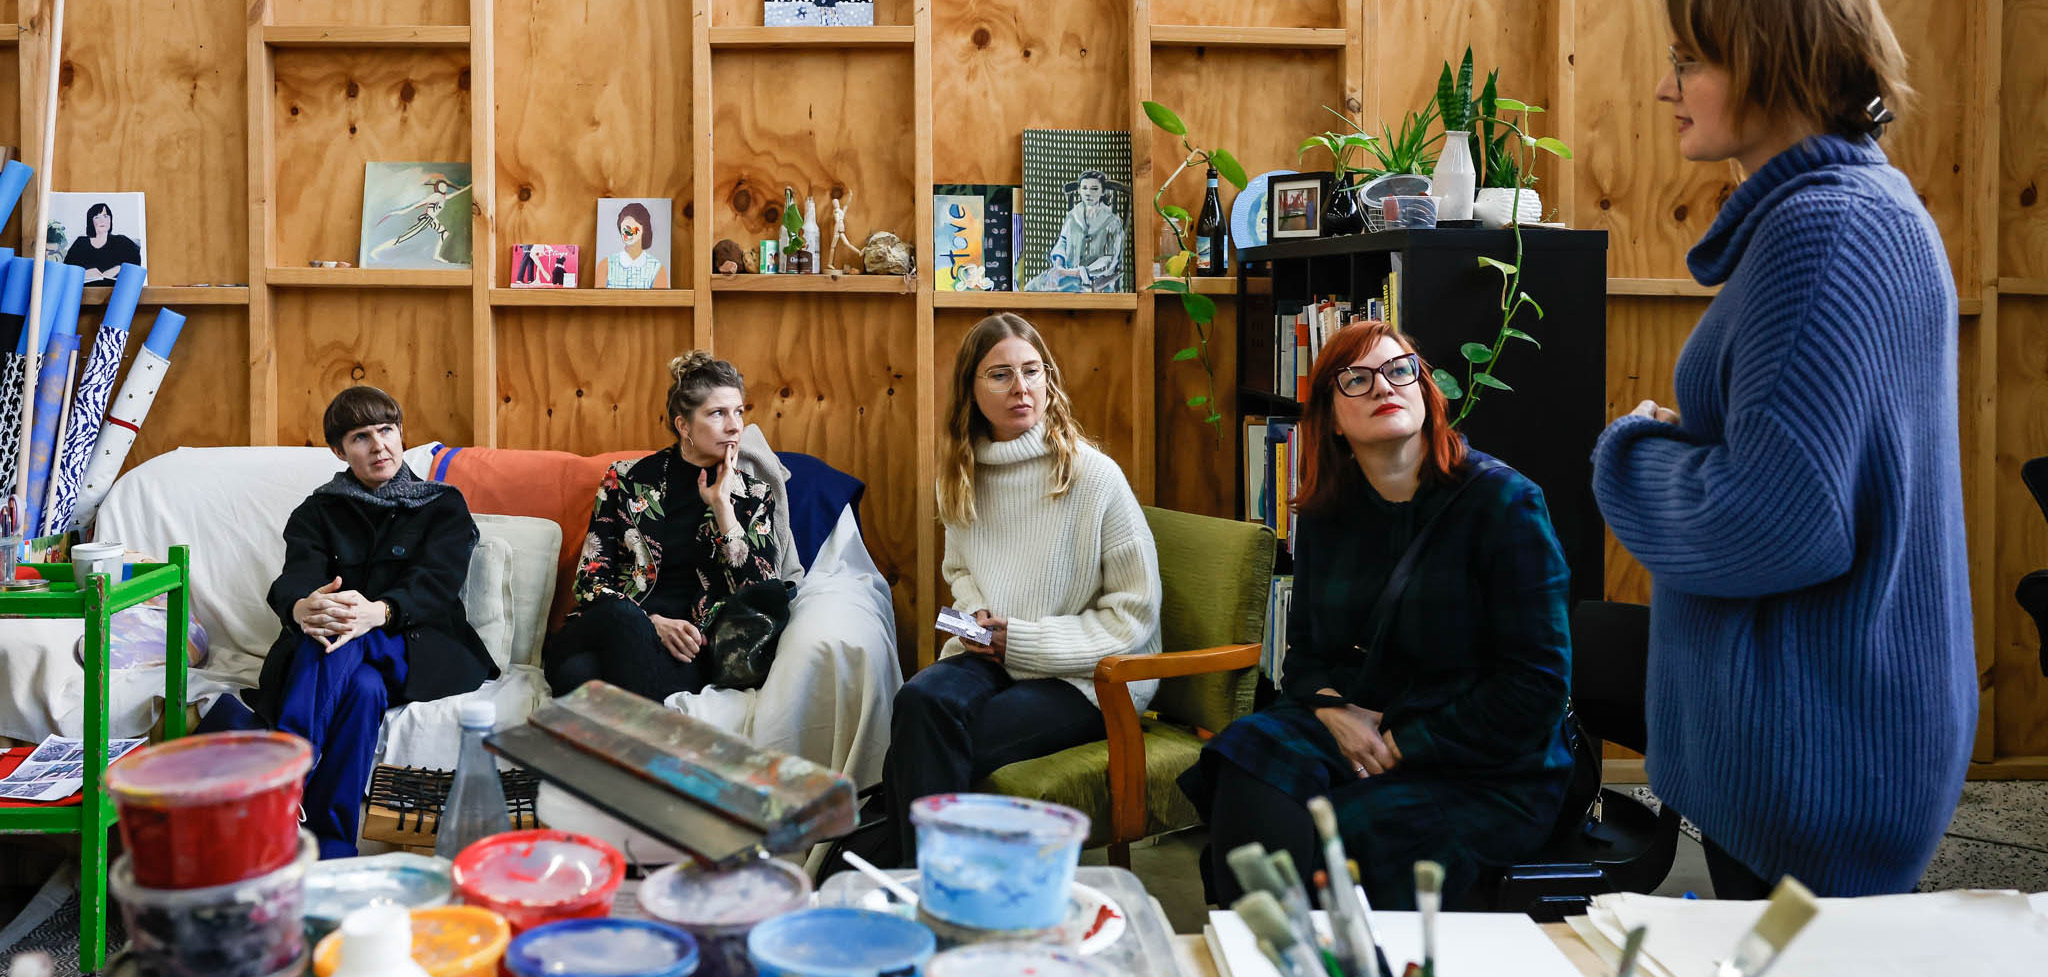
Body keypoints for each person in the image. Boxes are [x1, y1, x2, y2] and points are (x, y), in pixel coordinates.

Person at [1591, 0, 1972, 898]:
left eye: (1687, 61)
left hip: (1816, 748)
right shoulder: (1852, 211)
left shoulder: (1826, 232)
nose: (1662, 87)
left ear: (1768, 58)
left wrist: (1628, 452)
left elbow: (1776, 518)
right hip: (1818, 724)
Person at [1180, 320, 1574, 910]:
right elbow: (1306, 655)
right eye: (1356, 380)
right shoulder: (1325, 514)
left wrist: (1401, 741)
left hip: (1483, 764)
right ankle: (1267, 953)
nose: (1384, 387)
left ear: (1425, 392)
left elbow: (1536, 687)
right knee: (1248, 756)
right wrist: (1334, 711)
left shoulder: (1503, 504)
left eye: (1398, 370)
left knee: (1325, 831)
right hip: (1357, 732)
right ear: (1332, 419)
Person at [878, 312, 1161, 864]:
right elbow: (961, 572)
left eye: (1032, 371)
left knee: (928, 746)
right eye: (1000, 375)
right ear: (972, 389)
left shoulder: (1093, 476)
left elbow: (1134, 618)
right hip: (994, 656)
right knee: (917, 702)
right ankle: (933, 883)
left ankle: (919, 884)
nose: (1021, 388)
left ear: (1049, 380)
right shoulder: (959, 476)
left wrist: (1022, 640)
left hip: (1091, 676)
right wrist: (976, 618)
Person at [251, 386, 497, 859]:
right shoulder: (318, 510)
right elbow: (297, 577)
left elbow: (437, 585)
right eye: (361, 437)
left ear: (401, 435)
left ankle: (284, 777)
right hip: (346, 654)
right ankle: (333, 851)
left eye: (386, 430)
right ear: (339, 451)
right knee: (362, 688)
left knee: (343, 639)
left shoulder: (441, 504)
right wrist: (301, 607)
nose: (378, 445)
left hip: (419, 646)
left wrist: (377, 613)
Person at [544, 351, 777, 701]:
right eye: (718, 413)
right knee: (619, 619)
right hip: (611, 624)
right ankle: (650, 738)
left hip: (689, 650)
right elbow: (590, 581)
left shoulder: (753, 495)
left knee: (577, 675)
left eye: (739, 412)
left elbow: (760, 594)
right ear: (684, 426)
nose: (735, 426)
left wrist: (723, 509)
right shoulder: (625, 479)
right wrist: (649, 622)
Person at [1022, 171, 1125, 293]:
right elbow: (1062, 241)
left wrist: (1076, 272)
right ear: (1079, 190)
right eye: (1084, 188)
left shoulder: (1111, 221)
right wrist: (1058, 266)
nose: (1088, 193)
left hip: (1096, 280)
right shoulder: (1073, 216)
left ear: (1102, 192)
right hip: (1066, 273)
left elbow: (1110, 259)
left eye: (1094, 189)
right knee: (1031, 288)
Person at [62, 202, 143, 283]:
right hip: (86, 291)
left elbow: (136, 263)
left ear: (110, 220)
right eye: (97, 217)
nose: (102, 220)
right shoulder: (81, 243)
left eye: (105, 216)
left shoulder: (121, 241)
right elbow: (67, 270)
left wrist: (119, 268)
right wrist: (84, 273)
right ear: (91, 222)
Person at [601, 202, 669, 288]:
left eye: (631, 229)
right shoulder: (605, 265)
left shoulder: (658, 270)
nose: (627, 233)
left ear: (644, 229)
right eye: (624, 229)